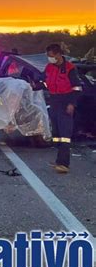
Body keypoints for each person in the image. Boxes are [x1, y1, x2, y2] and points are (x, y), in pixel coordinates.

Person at [44, 43, 82, 174]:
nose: (50, 58)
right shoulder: (49, 67)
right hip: (54, 101)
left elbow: (76, 87)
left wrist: (71, 103)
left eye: (51, 56)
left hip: (65, 102)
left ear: (59, 54)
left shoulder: (70, 68)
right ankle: (59, 160)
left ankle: (64, 164)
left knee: (65, 134)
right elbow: (45, 81)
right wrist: (35, 85)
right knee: (57, 134)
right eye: (48, 56)